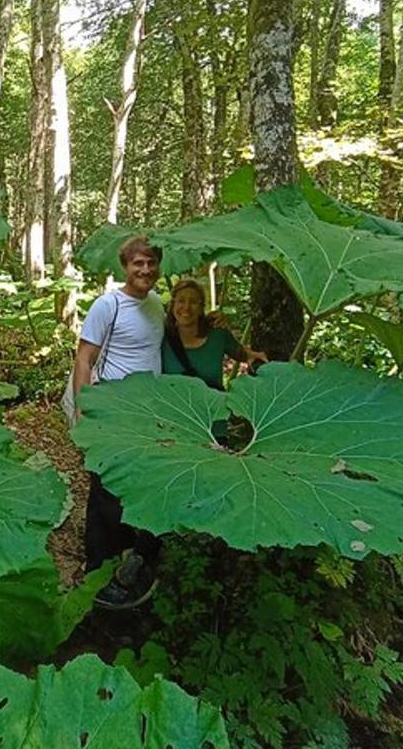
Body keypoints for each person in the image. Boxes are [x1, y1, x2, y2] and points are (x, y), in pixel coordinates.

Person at [72, 235, 164, 609]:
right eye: (137, 264)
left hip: (149, 411)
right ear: (125, 267)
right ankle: (99, 568)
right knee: (106, 490)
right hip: (111, 406)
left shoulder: (157, 304)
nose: (144, 270)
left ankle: (133, 564)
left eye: (151, 263)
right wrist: (83, 410)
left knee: (139, 487)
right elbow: (84, 359)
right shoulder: (107, 305)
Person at [162, 278, 268, 390]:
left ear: (201, 308)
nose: (186, 307)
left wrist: (253, 356)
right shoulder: (161, 337)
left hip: (212, 405)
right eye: (181, 301)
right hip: (174, 405)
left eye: (193, 302)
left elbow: (241, 353)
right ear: (172, 305)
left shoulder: (217, 335)